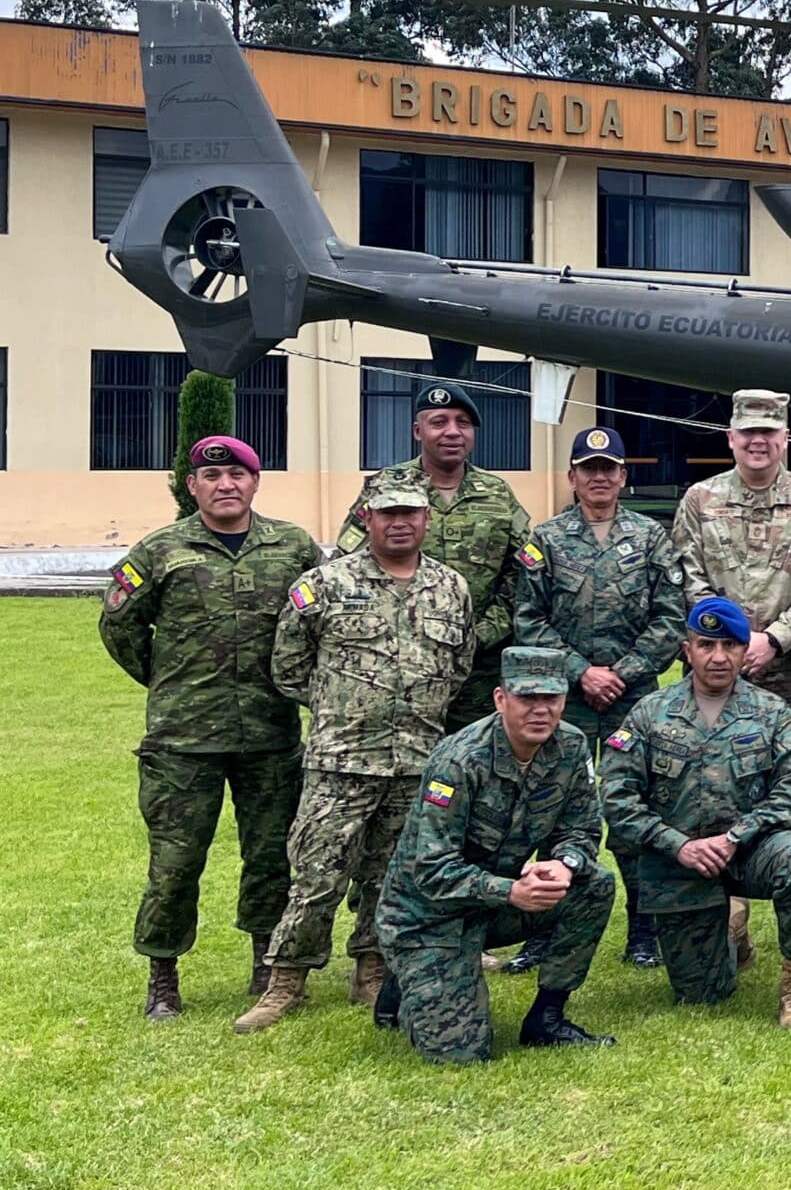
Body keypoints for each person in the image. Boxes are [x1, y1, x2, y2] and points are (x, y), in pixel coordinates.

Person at [235, 480, 474, 1033]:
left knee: (392, 875)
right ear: (367, 519)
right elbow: (289, 667)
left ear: (427, 519)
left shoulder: (450, 588)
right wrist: (342, 708)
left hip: (415, 761)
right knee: (317, 874)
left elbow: (457, 666)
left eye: (410, 513)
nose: (399, 523)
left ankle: (372, 970)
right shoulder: (324, 584)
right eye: (387, 513)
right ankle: (286, 982)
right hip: (340, 761)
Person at [99, 436, 321, 1020]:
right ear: (192, 485)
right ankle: (163, 974)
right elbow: (119, 625)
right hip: (183, 739)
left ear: (255, 482)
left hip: (270, 733)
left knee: (271, 854)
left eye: (238, 475)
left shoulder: (293, 547)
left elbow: (319, 621)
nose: (226, 485)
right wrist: (167, 680)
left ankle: (267, 962)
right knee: (175, 862)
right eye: (212, 476)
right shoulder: (160, 550)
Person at [372, 648, 617, 1064]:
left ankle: (547, 1018)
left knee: (593, 883)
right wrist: (511, 892)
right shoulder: (459, 759)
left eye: (551, 698)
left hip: (496, 903)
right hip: (428, 915)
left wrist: (565, 863)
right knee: (462, 1053)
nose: (540, 710)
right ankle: (408, 973)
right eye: (527, 698)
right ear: (501, 699)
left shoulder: (571, 746)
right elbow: (432, 870)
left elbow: (581, 827)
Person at [599, 598, 791, 1031]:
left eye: (731, 645)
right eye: (707, 645)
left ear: (745, 651)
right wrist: (678, 846)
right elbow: (617, 796)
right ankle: (732, 930)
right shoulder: (650, 713)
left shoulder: (772, 713)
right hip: (682, 862)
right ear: (687, 650)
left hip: (752, 850)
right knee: (701, 994)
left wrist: (735, 837)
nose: (719, 657)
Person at [509, 424, 687, 967]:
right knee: (550, 811)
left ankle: (643, 929)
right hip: (562, 701)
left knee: (635, 809)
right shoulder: (545, 540)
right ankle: (542, 931)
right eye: (589, 469)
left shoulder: (651, 538)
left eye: (609, 469)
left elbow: (670, 617)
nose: (599, 478)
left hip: (633, 701)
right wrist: (582, 672)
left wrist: (623, 673)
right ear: (572, 477)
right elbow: (529, 619)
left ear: (623, 477)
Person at [336, 380, 529, 735]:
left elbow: (523, 572)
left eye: (463, 423)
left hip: (479, 670)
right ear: (417, 431)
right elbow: (347, 567)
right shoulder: (386, 486)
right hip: (399, 665)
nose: (452, 432)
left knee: (474, 757)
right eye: (439, 422)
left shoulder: (497, 493)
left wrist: (483, 633)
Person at [671, 388, 791, 749]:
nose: (758, 441)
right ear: (731, 438)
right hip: (717, 668)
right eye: (749, 431)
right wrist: (730, 639)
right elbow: (687, 578)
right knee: (714, 771)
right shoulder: (699, 501)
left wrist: (776, 639)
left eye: (768, 431)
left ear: (785, 437)